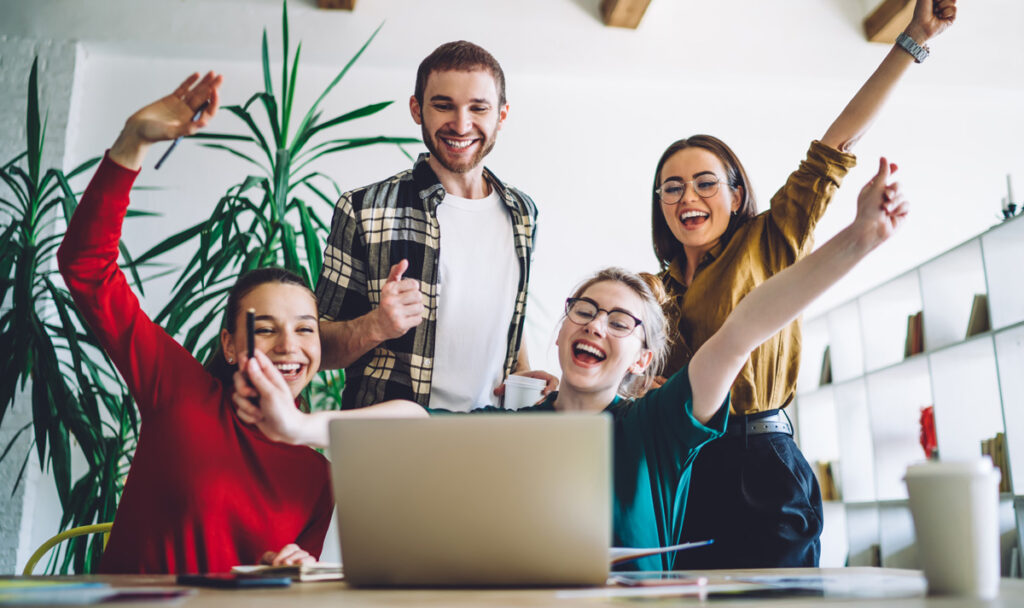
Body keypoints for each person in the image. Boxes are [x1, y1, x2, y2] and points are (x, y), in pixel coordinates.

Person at [237, 158, 908, 571]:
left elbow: (743, 329)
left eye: (621, 322)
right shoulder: (514, 426)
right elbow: (412, 419)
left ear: (644, 359)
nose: (596, 326)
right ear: (561, 333)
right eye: (584, 312)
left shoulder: (660, 427)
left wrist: (858, 240)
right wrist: (297, 427)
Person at [56, 72, 422, 573]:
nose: (288, 346)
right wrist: (132, 141)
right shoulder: (179, 392)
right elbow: (87, 269)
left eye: (305, 328)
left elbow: (290, 577)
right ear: (229, 345)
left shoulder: (319, 475)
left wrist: (295, 568)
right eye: (265, 328)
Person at [649, 0, 956, 568]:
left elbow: (836, 143)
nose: (687, 198)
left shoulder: (772, 238)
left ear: (737, 193)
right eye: (671, 188)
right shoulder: (652, 291)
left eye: (704, 183)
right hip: (681, 472)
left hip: (761, 462)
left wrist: (913, 39)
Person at [316, 40, 554, 412]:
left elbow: (509, 316)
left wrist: (525, 374)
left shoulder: (523, 213)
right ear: (417, 109)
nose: (461, 124)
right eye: (444, 105)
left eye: (478, 108)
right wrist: (376, 325)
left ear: (501, 116)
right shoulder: (364, 209)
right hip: (394, 443)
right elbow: (320, 348)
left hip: (492, 436)